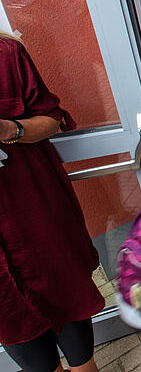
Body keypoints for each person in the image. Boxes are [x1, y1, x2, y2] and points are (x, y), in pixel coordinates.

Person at [0, 32, 104, 372]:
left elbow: (51, 120)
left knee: (79, 351)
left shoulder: (6, 53)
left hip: (36, 221)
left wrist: (9, 129)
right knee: (36, 359)